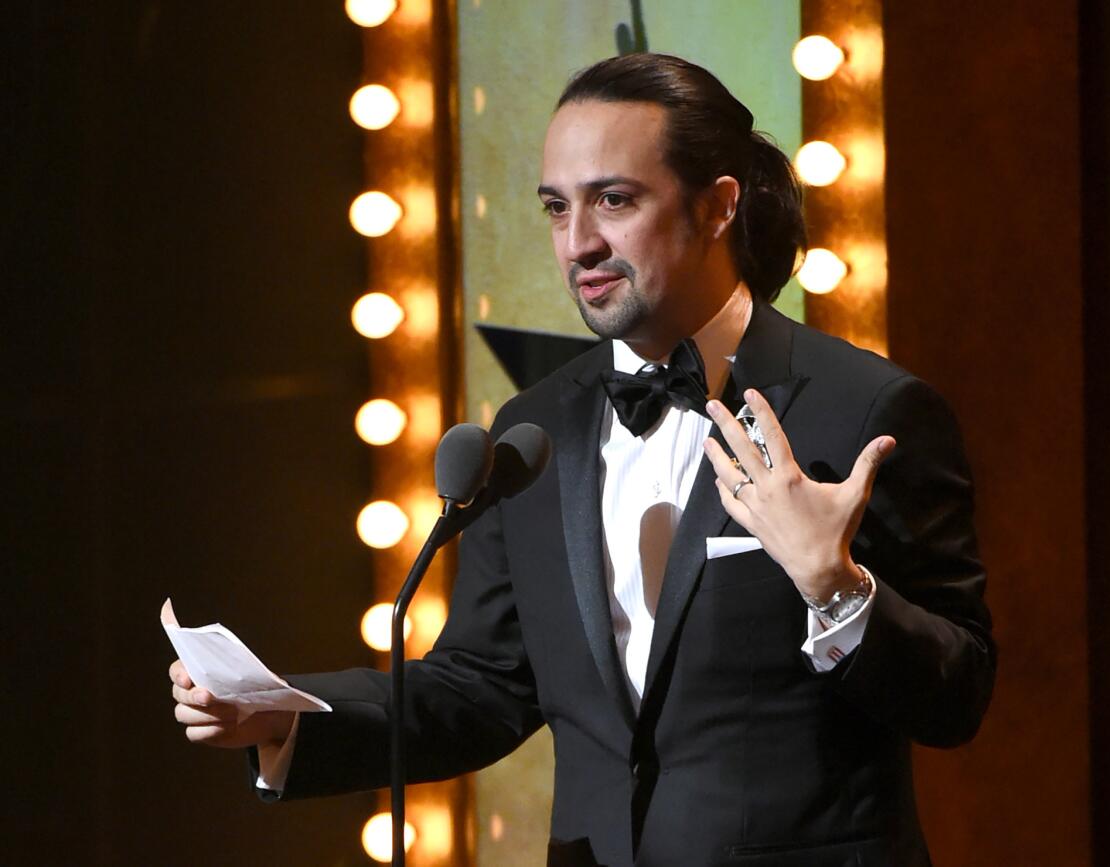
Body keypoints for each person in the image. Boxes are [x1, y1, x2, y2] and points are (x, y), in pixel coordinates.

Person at [170, 53, 995, 867]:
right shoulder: (535, 431)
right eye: (556, 209)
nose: (579, 243)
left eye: (613, 200)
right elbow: (482, 686)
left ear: (716, 207)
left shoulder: (866, 411)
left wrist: (836, 587)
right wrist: (286, 716)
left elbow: (959, 695)